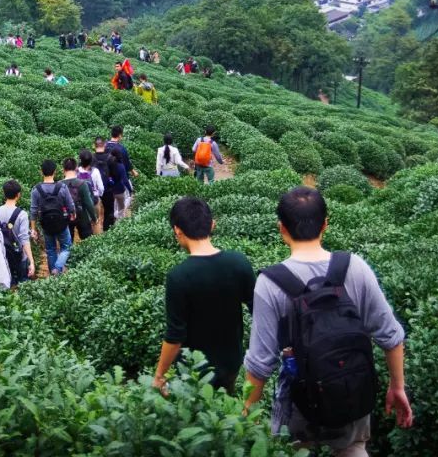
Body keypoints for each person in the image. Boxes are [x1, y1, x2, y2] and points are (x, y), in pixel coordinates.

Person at [243, 187, 413, 452]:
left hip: (300, 405)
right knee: (354, 448)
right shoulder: (355, 267)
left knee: (296, 451)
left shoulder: (270, 283)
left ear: (281, 229)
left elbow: (260, 364)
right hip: (351, 392)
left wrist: (244, 419)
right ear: (325, 224)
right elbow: (390, 336)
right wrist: (397, 387)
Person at [154, 197, 255, 395]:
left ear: (177, 231)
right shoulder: (239, 262)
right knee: (226, 407)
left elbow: (175, 336)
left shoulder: (179, 276)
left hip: (193, 369)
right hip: (232, 362)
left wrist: (159, 375)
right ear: (212, 224)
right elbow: (258, 311)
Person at [31, 160, 77, 276]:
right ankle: (57, 268)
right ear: (55, 172)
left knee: (51, 250)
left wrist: (33, 228)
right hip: (61, 222)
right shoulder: (62, 187)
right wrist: (73, 214)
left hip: (46, 224)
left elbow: (33, 211)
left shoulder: (36, 189)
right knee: (66, 247)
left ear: (41, 172)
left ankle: (53, 275)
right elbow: (70, 204)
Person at [0, 180, 35, 284]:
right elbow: (24, 239)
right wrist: (32, 261)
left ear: (4, 193)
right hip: (19, 256)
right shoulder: (22, 214)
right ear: (18, 195)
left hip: (2, 256)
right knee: (23, 285)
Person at [61, 157, 96, 241]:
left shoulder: (59, 185)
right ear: (76, 168)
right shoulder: (82, 183)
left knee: (68, 244)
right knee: (88, 242)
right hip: (82, 216)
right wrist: (94, 218)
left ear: (63, 169)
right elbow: (88, 203)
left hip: (66, 217)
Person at [106, 125, 136, 219]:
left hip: (108, 179)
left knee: (112, 200)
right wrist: (133, 172)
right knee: (126, 196)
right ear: (119, 135)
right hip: (120, 179)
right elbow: (127, 164)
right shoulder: (121, 148)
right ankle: (119, 216)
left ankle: (113, 215)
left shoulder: (105, 146)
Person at [92, 138, 117, 232]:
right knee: (109, 211)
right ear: (105, 145)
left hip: (93, 190)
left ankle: (94, 234)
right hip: (108, 189)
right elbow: (115, 174)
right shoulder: (111, 158)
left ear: (94, 146)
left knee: (92, 214)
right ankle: (107, 232)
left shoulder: (90, 158)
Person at [77, 149, 105, 233]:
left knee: (85, 224)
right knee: (95, 221)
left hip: (81, 203)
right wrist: (99, 195)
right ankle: (96, 241)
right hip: (94, 200)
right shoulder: (95, 171)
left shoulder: (76, 171)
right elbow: (101, 188)